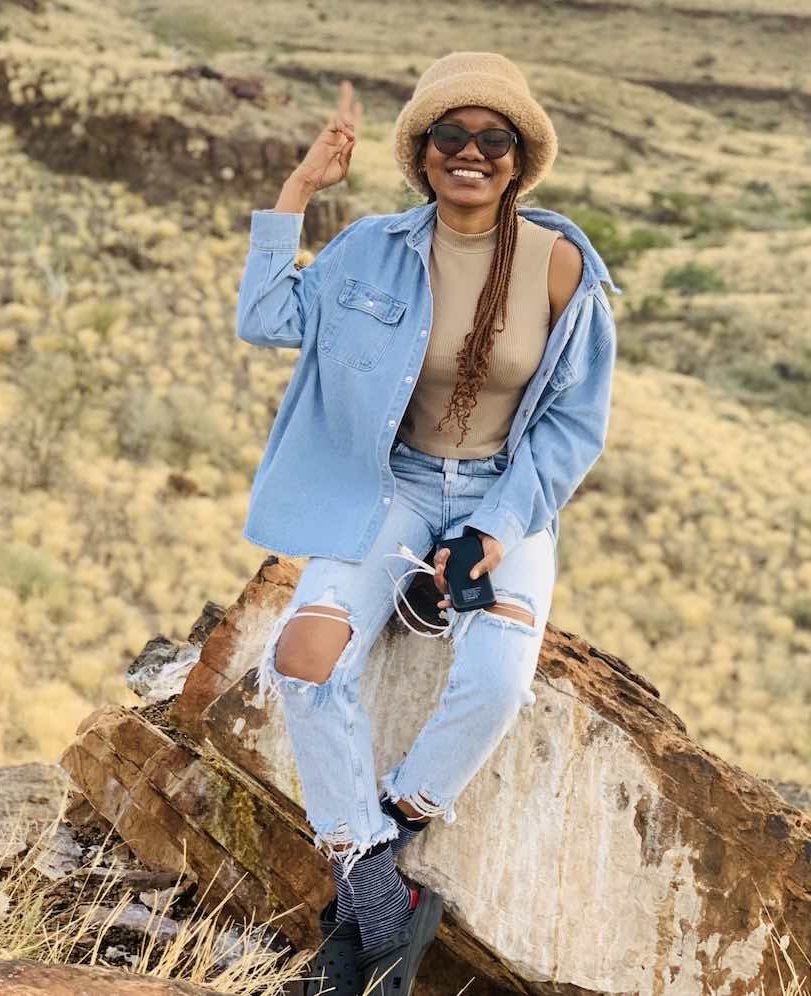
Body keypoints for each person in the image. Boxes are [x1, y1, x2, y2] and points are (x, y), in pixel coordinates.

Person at [235, 51, 621, 995]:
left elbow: (576, 424)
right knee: (304, 662)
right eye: (450, 136)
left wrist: (492, 530)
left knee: (495, 681)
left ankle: (394, 819)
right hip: (392, 491)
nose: (471, 154)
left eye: (493, 140)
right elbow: (264, 316)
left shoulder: (561, 265)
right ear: (422, 153)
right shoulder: (370, 247)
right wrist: (297, 189)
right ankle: (375, 885)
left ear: (521, 158)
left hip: (507, 499)